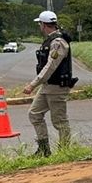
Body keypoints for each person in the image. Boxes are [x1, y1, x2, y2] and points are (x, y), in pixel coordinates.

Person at [22, 10, 76, 157]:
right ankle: (44, 150)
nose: (39, 26)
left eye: (40, 24)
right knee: (34, 114)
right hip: (47, 86)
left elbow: (50, 66)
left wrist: (33, 84)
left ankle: (65, 152)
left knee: (59, 121)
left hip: (57, 86)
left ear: (44, 25)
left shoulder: (58, 42)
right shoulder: (50, 40)